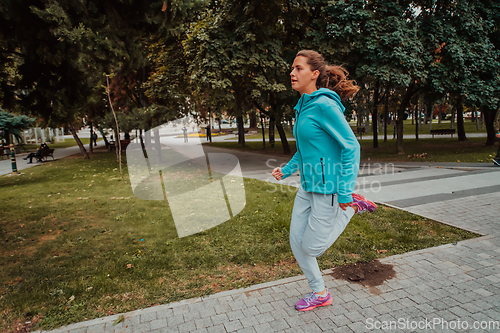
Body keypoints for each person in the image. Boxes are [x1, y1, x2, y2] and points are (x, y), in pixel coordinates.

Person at [272, 50, 377, 312]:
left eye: (298, 68)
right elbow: (306, 149)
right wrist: (287, 170)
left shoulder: (324, 105)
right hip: (307, 188)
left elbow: (351, 147)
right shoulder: (304, 106)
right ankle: (320, 292)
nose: (292, 73)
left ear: (314, 74)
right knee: (297, 244)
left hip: (328, 190)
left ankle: (351, 206)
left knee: (312, 248)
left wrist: (344, 191)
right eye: (292, 68)